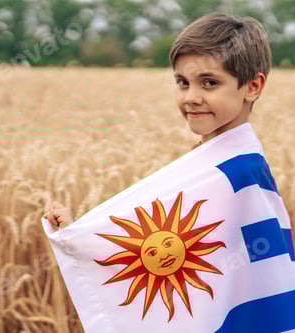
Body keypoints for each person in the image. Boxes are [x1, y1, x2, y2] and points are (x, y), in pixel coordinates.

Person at [45, 11, 271, 231]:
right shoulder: (209, 161)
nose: (191, 98)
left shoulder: (239, 174)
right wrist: (76, 235)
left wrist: (79, 243)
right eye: (183, 82)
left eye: (210, 83)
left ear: (252, 87)